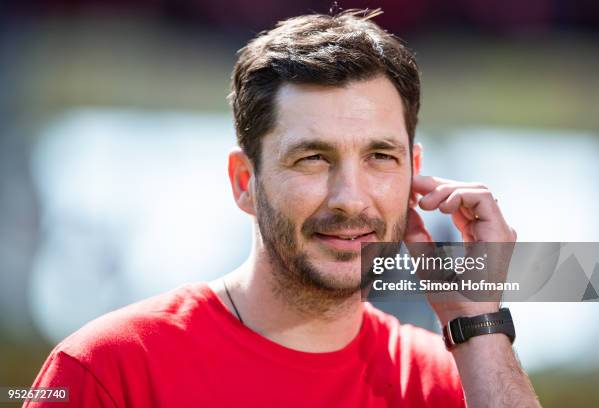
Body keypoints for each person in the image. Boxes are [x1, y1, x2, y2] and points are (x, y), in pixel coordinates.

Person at [26, 9, 540, 407]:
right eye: (313, 158)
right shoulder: (109, 369)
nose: (350, 198)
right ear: (245, 182)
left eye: (380, 157)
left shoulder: (453, 381)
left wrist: (478, 319)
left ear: (413, 172)